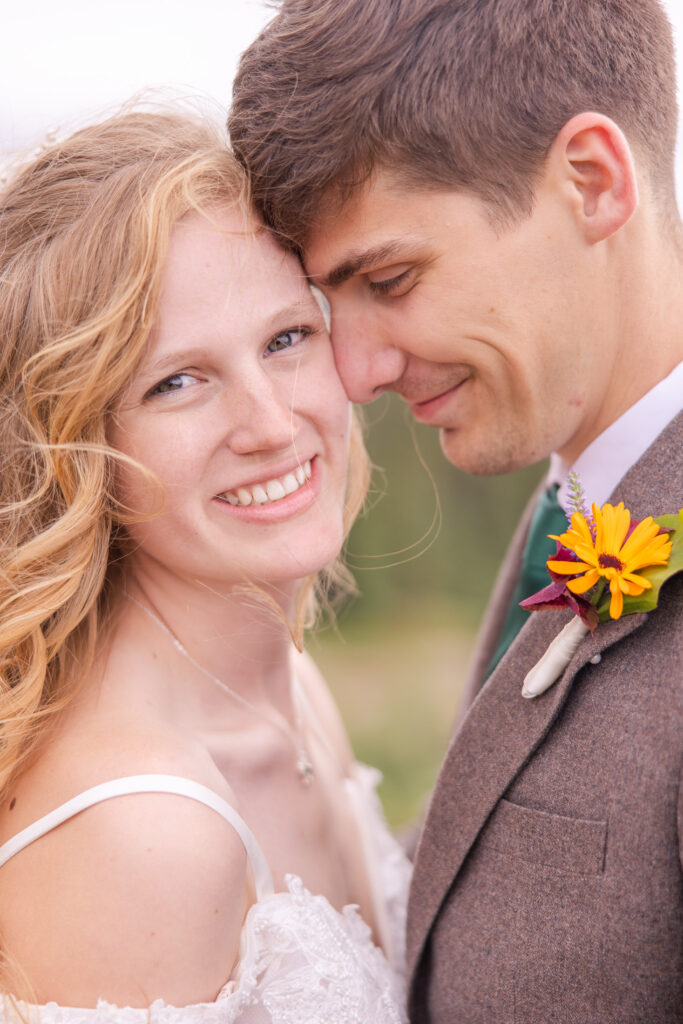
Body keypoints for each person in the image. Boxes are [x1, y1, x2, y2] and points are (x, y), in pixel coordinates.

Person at [229, 1, 683, 1020]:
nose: (353, 371)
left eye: (389, 277)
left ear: (591, 182)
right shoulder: (566, 504)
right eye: (328, 307)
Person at [0, 110, 411, 1021]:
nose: (270, 424)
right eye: (176, 382)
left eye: (285, 340)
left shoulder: (292, 687)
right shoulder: (144, 833)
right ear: (75, 448)